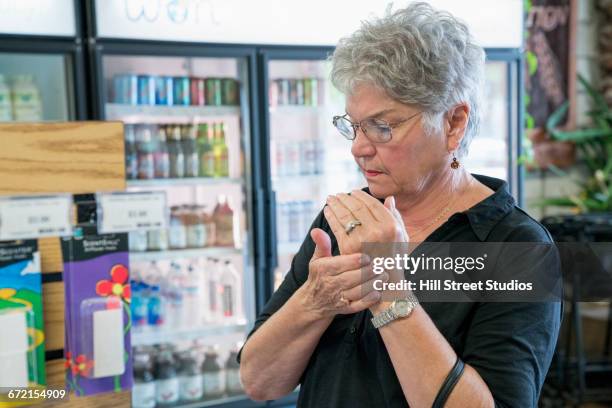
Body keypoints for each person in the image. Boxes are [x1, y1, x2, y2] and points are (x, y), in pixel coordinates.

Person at [239, 3, 562, 407]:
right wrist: (314, 302)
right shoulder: (345, 219)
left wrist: (390, 292)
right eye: (354, 126)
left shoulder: (517, 249)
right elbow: (258, 382)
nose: (358, 148)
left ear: (453, 123)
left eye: (383, 126)